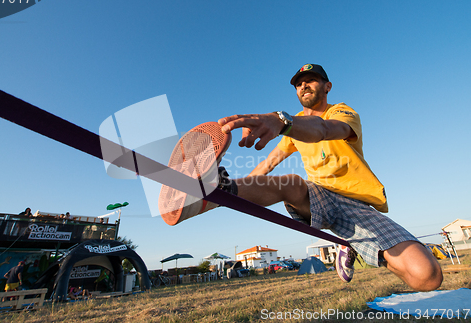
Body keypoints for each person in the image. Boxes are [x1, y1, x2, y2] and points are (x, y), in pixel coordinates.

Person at [171, 64, 443, 291]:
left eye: (311, 80)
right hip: (317, 196)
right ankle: (213, 194)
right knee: (290, 183)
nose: (303, 86)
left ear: (327, 86)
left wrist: (283, 121)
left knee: (427, 276)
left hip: (356, 204)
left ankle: (355, 247)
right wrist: (235, 192)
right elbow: (267, 164)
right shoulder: (295, 124)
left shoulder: (342, 112)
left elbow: (324, 129)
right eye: (299, 84)